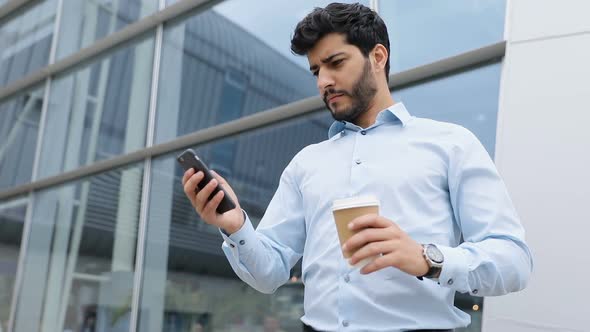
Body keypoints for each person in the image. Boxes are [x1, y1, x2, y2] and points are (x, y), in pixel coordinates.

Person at [182, 3, 533, 331]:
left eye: (336, 63)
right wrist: (236, 226)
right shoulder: (307, 163)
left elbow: (513, 262)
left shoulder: (451, 145)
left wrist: (428, 259)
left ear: (377, 57)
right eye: (317, 70)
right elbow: (269, 273)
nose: (323, 82)